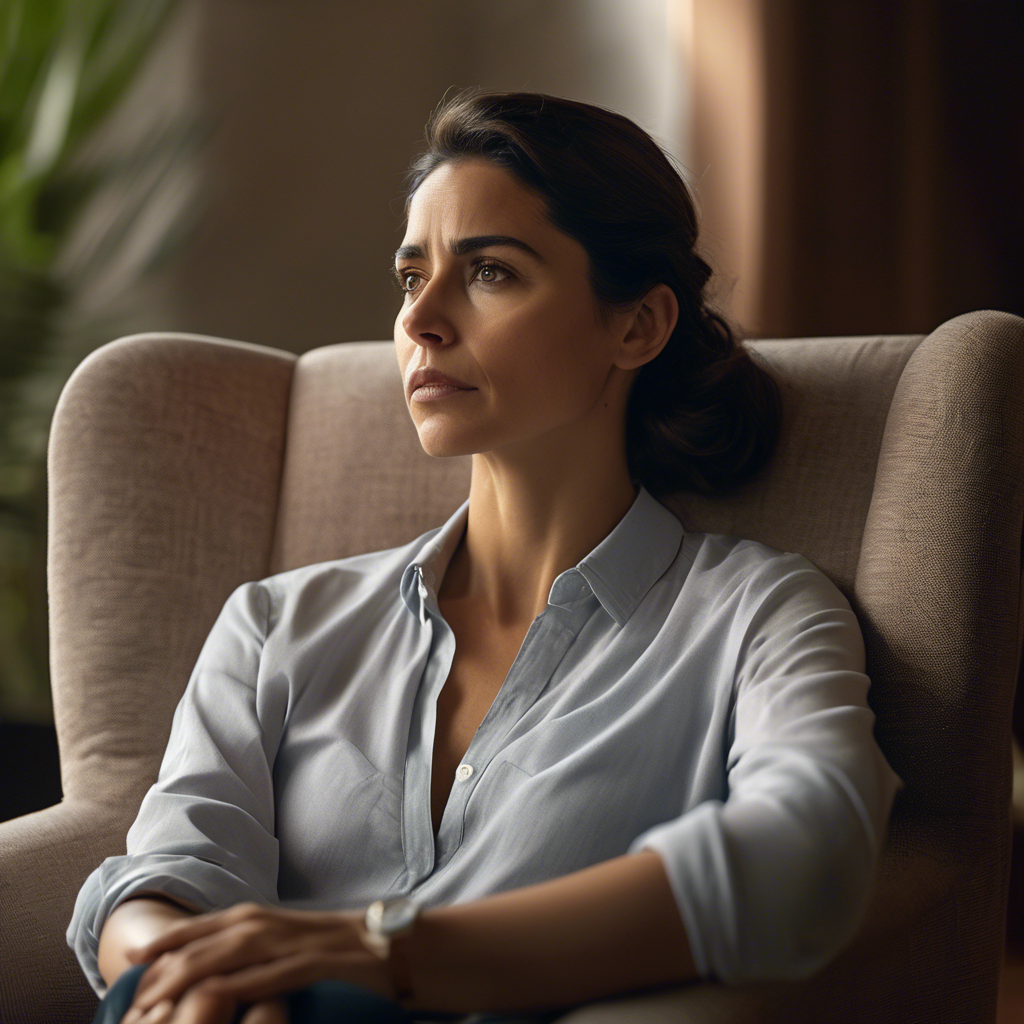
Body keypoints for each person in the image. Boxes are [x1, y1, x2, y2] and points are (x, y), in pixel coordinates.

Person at [69, 89, 904, 1024]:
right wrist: (196, 975)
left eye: (491, 272)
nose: (421, 319)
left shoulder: (757, 615)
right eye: (409, 275)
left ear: (639, 325)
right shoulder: (276, 625)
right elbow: (164, 877)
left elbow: (810, 851)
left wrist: (378, 951)